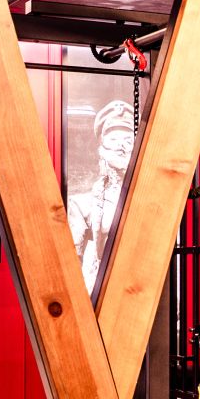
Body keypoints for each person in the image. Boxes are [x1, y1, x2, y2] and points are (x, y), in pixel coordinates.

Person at [68, 98, 135, 287]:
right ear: (101, 148)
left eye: (128, 141)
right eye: (113, 140)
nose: (121, 146)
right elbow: (72, 263)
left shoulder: (149, 198)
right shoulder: (82, 205)